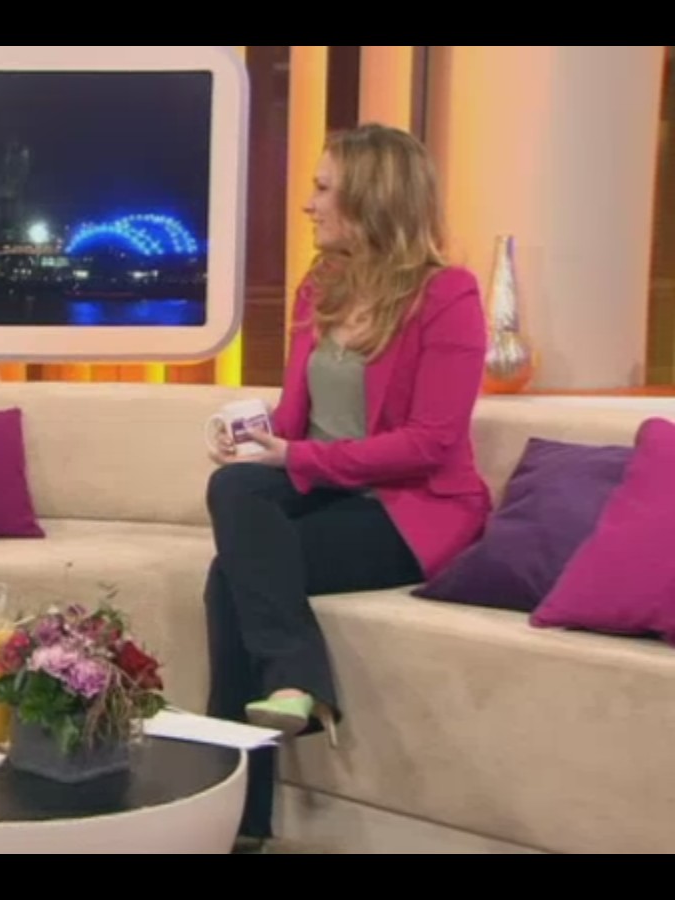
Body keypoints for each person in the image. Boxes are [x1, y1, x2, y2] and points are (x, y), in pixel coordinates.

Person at [202, 123, 492, 849]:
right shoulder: (320, 287)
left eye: (323, 187)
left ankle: (238, 820)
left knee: (228, 579)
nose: (308, 204)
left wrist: (296, 458)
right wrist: (251, 436)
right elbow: (298, 417)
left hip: (408, 509)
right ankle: (295, 690)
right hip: (324, 488)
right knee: (234, 489)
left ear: (371, 197)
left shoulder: (447, 295)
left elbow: (431, 443)